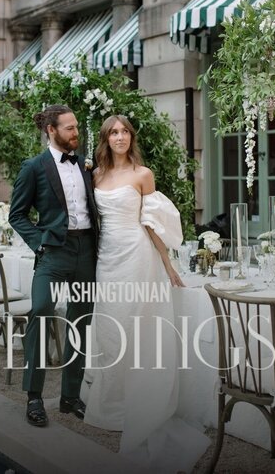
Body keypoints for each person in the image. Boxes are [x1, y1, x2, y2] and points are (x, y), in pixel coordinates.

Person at [82, 115, 210, 472]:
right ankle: (112, 407)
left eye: (124, 132)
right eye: (114, 132)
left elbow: (152, 223)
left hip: (137, 256)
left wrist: (167, 264)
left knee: (136, 328)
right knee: (110, 329)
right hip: (107, 259)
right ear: (106, 139)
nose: (120, 137)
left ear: (130, 137)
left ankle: (141, 406)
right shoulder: (94, 175)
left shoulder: (143, 174)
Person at [9, 104, 98, 427]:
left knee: (81, 320)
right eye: (70, 128)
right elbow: (16, 214)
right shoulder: (33, 167)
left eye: (77, 127)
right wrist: (39, 241)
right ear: (52, 130)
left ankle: (69, 396)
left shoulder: (86, 164)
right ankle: (34, 396)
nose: (77, 133)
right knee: (42, 310)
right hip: (53, 252)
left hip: (86, 248)